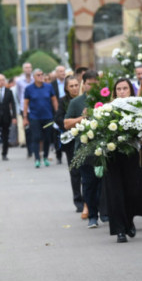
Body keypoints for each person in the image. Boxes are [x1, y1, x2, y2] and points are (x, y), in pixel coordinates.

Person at [103, 78, 142, 243]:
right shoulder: (108, 109)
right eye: (119, 89)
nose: (122, 91)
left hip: (130, 154)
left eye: (125, 88)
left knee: (132, 191)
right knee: (115, 192)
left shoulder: (138, 108)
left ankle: (129, 221)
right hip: (112, 154)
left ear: (131, 90)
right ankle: (119, 230)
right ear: (114, 92)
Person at [65, 70, 102, 228]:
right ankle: (92, 216)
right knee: (88, 183)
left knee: (104, 183)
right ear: (84, 84)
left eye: (95, 84)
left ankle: (105, 212)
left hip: (103, 148)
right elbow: (66, 123)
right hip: (84, 148)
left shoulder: (105, 99)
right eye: (89, 84)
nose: (92, 86)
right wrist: (82, 118)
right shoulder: (76, 102)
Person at [55, 76, 84, 213]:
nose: (74, 88)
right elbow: (59, 118)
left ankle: (89, 199)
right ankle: (78, 200)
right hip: (71, 140)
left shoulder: (84, 99)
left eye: (76, 85)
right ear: (66, 88)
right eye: (71, 86)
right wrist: (71, 123)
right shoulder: (63, 101)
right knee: (75, 171)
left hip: (84, 138)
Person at [23, 69, 58, 168]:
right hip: (34, 117)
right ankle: (37, 158)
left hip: (48, 116)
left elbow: (54, 100)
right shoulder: (29, 88)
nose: (41, 76)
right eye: (38, 75)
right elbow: (25, 103)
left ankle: (46, 157)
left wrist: (57, 112)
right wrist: (25, 117)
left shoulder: (48, 86)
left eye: (42, 74)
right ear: (34, 77)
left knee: (47, 138)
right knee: (36, 137)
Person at [16, 62, 35, 156]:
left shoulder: (34, 79)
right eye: (26, 67)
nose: (28, 69)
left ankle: (35, 148)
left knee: (34, 129)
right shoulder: (19, 81)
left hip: (34, 107)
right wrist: (22, 105)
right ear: (23, 69)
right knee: (27, 129)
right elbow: (19, 95)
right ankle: (29, 149)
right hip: (24, 108)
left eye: (29, 67)